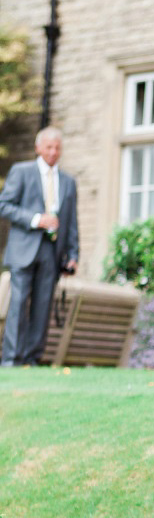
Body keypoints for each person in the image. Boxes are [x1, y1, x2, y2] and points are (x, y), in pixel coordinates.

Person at [0, 128, 78, 367]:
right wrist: (36, 219)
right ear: (38, 148)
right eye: (48, 147)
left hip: (51, 251)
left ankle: (32, 359)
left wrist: (73, 254)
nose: (53, 152)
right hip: (24, 248)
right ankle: (12, 359)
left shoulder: (68, 181)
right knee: (18, 304)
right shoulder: (22, 172)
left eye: (57, 148)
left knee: (43, 307)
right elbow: (4, 205)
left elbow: (72, 221)